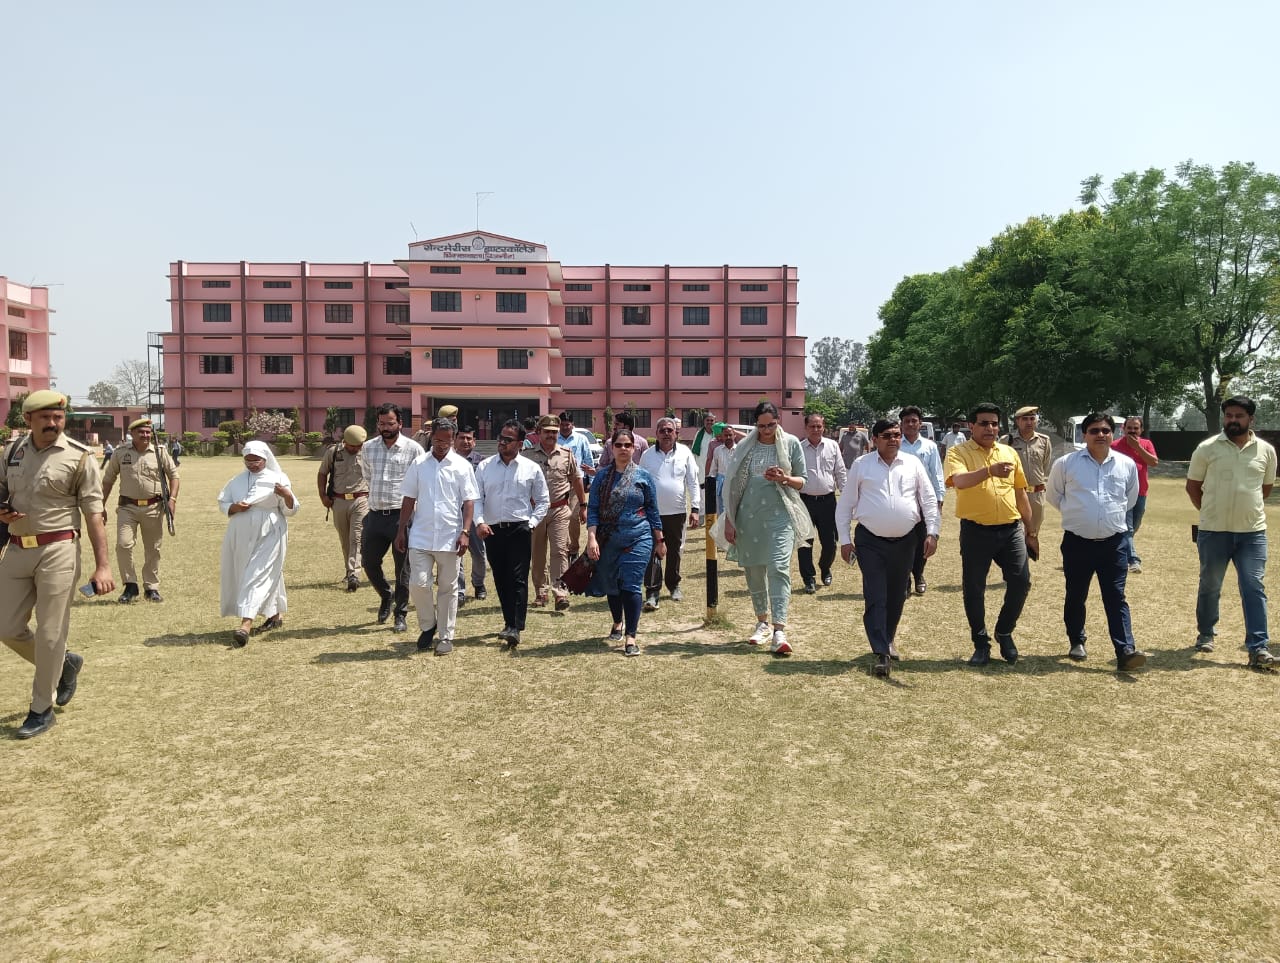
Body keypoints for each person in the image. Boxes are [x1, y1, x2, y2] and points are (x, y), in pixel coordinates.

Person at [0, 390, 113, 739]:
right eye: (45, 418)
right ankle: (64, 664)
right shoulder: (12, 452)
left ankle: (41, 710)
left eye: (58, 417)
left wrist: (103, 566)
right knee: (6, 627)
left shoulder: (79, 457)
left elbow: (94, 514)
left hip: (59, 549)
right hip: (17, 549)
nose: (53, 423)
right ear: (28, 420)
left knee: (51, 632)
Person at [836, 418, 939, 677]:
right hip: (870, 541)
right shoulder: (862, 465)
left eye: (896, 435)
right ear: (874, 440)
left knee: (897, 594)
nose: (893, 439)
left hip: (906, 541)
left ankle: (888, 637)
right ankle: (881, 651)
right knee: (876, 594)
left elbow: (928, 499)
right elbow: (846, 504)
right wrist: (845, 540)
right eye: (887, 435)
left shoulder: (912, 463)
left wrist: (932, 532)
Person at [710, 401, 813, 656]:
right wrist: (730, 520)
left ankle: (779, 630)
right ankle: (762, 623)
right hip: (748, 516)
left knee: (779, 567)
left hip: (781, 515)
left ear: (778, 422)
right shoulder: (745, 446)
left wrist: (784, 478)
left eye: (771, 425)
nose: (767, 431)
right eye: (762, 426)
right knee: (754, 569)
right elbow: (733, 486)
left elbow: (803, 481)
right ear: (755, 424)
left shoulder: (791, 444)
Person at [1046, 412, 1146, 670]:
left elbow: (1130, 499)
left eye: (1105, 430)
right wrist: (1079, 514)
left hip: (1114, 544)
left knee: (1116, 597)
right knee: (1076, 594)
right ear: (1084, 435)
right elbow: (1054, 496)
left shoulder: (1126, 464)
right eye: (1094, 431)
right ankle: (1076, 640)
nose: (1100, 435)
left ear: (1114, 434)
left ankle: (1125, 651)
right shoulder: (1066, 464)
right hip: (1077, 542)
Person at [1186, 395, 1278, 667]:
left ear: (1251, 419)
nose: (1233, 420)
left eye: (1239, 416)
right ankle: (1206, 633)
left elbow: (1265, 489)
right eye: (1228, 416)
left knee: (1253, 586)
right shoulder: (1207, 448)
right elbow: (1193, 486)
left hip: (1252, 534)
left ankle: (1258, 648)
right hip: (1214, 532)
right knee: (1210, 585)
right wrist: (1210, 512)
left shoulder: (1266, 451)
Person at [944, 402, 1037, 666]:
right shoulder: (957, 452)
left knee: (1021, 582)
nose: (990, 428)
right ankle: (980, 642)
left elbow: (1020, 492)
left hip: (1011, 530)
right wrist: (989, 471)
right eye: (984, 423)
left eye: (994, 424)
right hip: (976, 531)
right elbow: (959, 481)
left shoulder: (1008, 452)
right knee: (974, 588)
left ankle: (1004, 632)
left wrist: (1031, 531)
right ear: (971, 426)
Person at [395, 418, 478, 657]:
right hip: (420, 536)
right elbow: (409, 498)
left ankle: (445, 636)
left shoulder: (462, 466)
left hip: (450, 537)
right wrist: (401, 530)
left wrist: (465, 532)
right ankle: (428, 625)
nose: (441, 444)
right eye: (438, 440)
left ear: (453, 440)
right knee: (418, 584)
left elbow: (469, 501)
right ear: (431, 437)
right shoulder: (419, 463)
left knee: (448, 588)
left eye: (446, 440)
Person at [587, 427, 665, 656]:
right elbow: (593, 510)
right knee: (613, 584)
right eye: (618, 445)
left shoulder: (643, 476)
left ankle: (631, 637)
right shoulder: (602, 476)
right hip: (608, 538)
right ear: (611, 448)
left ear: (634, 448)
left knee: (631, 584)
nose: (623, 449)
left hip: (638, 537)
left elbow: (653, 510)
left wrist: (660, 540)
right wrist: (591, 538)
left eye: (627, 445)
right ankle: (617, 622)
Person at [474, 419, 550, 650]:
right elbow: (476, 499)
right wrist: (479, 522)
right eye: (501, 438)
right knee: (500, 577)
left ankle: (515, 626)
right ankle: (509, 621)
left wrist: (532, 523)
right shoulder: (485, 467)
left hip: (520, 528)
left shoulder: (530, 468)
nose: (502, 442)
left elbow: (543, 500)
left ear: (519, 443)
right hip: (492, 530)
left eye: (508, 440)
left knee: (518, 577)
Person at [218, 440, 299, 647]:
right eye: (248, 460)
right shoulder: (236, 481)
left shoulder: (278, 478)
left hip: (270, 531)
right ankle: (274, 615)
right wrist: (235, 507)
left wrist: (287, 495)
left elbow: (290, 509)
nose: (252, 464)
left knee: (257, 573)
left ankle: (246, 624)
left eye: (256, 460)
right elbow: (223, 502)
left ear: (265, 459)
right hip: (241, 533)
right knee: (260, 572)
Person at [358, 403, 425, 633]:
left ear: (400, 423)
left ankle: (401, 614)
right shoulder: (368, 448)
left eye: (390, 423)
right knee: (368, 562)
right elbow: (368, 476)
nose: (385, 427)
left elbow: (420, 482)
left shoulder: (413, 449)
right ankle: (386, 595)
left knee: (402, 569)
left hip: (401, 517)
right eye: (381, 423)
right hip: (375, 515)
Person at [102, 417, 180, 603]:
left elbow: (174, 476)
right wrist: (101, 505)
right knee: (123, 544)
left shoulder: (159, 452)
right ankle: (130, 585)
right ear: (132, 434)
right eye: (141, 432)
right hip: (127, 507)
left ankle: (151, 587)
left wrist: (172, 499)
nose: (145, 435)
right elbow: (108, 480)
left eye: (147, 432)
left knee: (153, 549)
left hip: (154, 507)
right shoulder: (120, 453)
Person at [639, 415, 702, 608]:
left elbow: (693, 482)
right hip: (652, 513)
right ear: (656, 433)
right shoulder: (647, 455)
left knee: (675, 550)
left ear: (676, 433)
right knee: (652, 551)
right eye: (662, 430)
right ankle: (652, 592)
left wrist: (695, 508)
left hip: (677, 512)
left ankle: (673, 585)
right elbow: (640, 483)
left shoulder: (685, 452)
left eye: (670, 430)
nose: (666, 434)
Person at [525, 415, 587, 612]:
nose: (551, 435)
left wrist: (583, 505)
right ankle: (541, 592)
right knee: (538, 552)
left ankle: (560, 593)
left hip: (559, 509)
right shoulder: (527, 455)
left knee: (560, 551)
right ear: (539, 432)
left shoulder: (567, 454)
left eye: (554, 432)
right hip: (535, 511)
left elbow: (576, 479)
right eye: (547, 432)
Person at [797, 412, 847, 593]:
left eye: (819, 426)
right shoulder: (798, 448)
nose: (816, 429)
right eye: (812, 426)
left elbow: (840, 472)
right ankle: (808, 578)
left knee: (830, 542)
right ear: (806, 428)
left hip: (828, 501)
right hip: (804, 501)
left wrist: (846, 497)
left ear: (823, 427)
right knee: (805, 542)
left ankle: (825, 568)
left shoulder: (832, 446)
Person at [898, 406, 944, 596]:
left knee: (923, 541)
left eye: (914, 421)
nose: (910, 424)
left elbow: (937, 473)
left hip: (924, 501)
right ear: (901, 424)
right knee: (903, 542)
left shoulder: (929, 446)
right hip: (901, 501)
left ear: (920, 424)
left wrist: (939, 499)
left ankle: (919, 575)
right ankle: (905, 579)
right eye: (906, 421)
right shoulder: (895, 444)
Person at [317, 425, 369, 592]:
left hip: (361, 500)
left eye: (358, 445)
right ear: (345, 441)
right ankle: (349, 571)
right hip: (338, 501)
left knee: (356, 538)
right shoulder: (333, 452)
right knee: (345, 539)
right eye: (352, 445)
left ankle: (354, 574)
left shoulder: (368, 452)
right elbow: (322, 473)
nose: (355, 448)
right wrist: (323, 496)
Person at [1110, 415, 1158, 573]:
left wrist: (1138, 447)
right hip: (1121, 493)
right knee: (1128, 528)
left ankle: (1118, 551)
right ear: (1123, 428)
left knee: (1134, 526)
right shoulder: (1114, 446)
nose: (1132, 431)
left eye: (1135, 428)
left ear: (1141, 430)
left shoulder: (1146, 444)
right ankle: (1133, 560)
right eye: (1129, 428)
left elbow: (1153, 462)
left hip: (1141, 492)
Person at [1004, 406, 1053, 544]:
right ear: (1017, 421)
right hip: (1015, 494)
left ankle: (1029, 555)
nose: (1029, 422)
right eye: (1025, 419)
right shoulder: (1007, 440)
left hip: (1037, 495)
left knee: (1033, 533)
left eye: (1032, 418)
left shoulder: (1044, 440)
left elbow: (1044, 466)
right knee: (1015, 533)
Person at [453, 425, 488, 605]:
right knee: (455, 554)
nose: (465, 441)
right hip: (452, 513)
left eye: (469, 438)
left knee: (479, 554)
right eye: (462, 438)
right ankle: (459, 590)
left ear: (474, 441)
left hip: (474, 513)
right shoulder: (447, 460)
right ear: (455, 440)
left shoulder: (482, 463)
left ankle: (479, 584)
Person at [557, 411, 596, 556]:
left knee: (574, 517)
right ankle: (563, 549)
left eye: (567, 424)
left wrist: (591, 481)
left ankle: (574, 549)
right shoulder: (555, 439)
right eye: (562, 425)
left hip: (575, 484)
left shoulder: (581, 439)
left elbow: (588, 460)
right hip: (558, 485)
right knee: (560, 518)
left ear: (572, 425)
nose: (565, 427)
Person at [708, 422, 738, 515]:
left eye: (730, 435)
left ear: (734, 436)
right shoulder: (718, 450)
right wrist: (711, 484)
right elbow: (713, 469)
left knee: (735, 509)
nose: (728, 437)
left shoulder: (739, 450)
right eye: (726, 435)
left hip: (735, 483)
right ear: (722, 436)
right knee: (721, 510)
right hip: (721, 484)